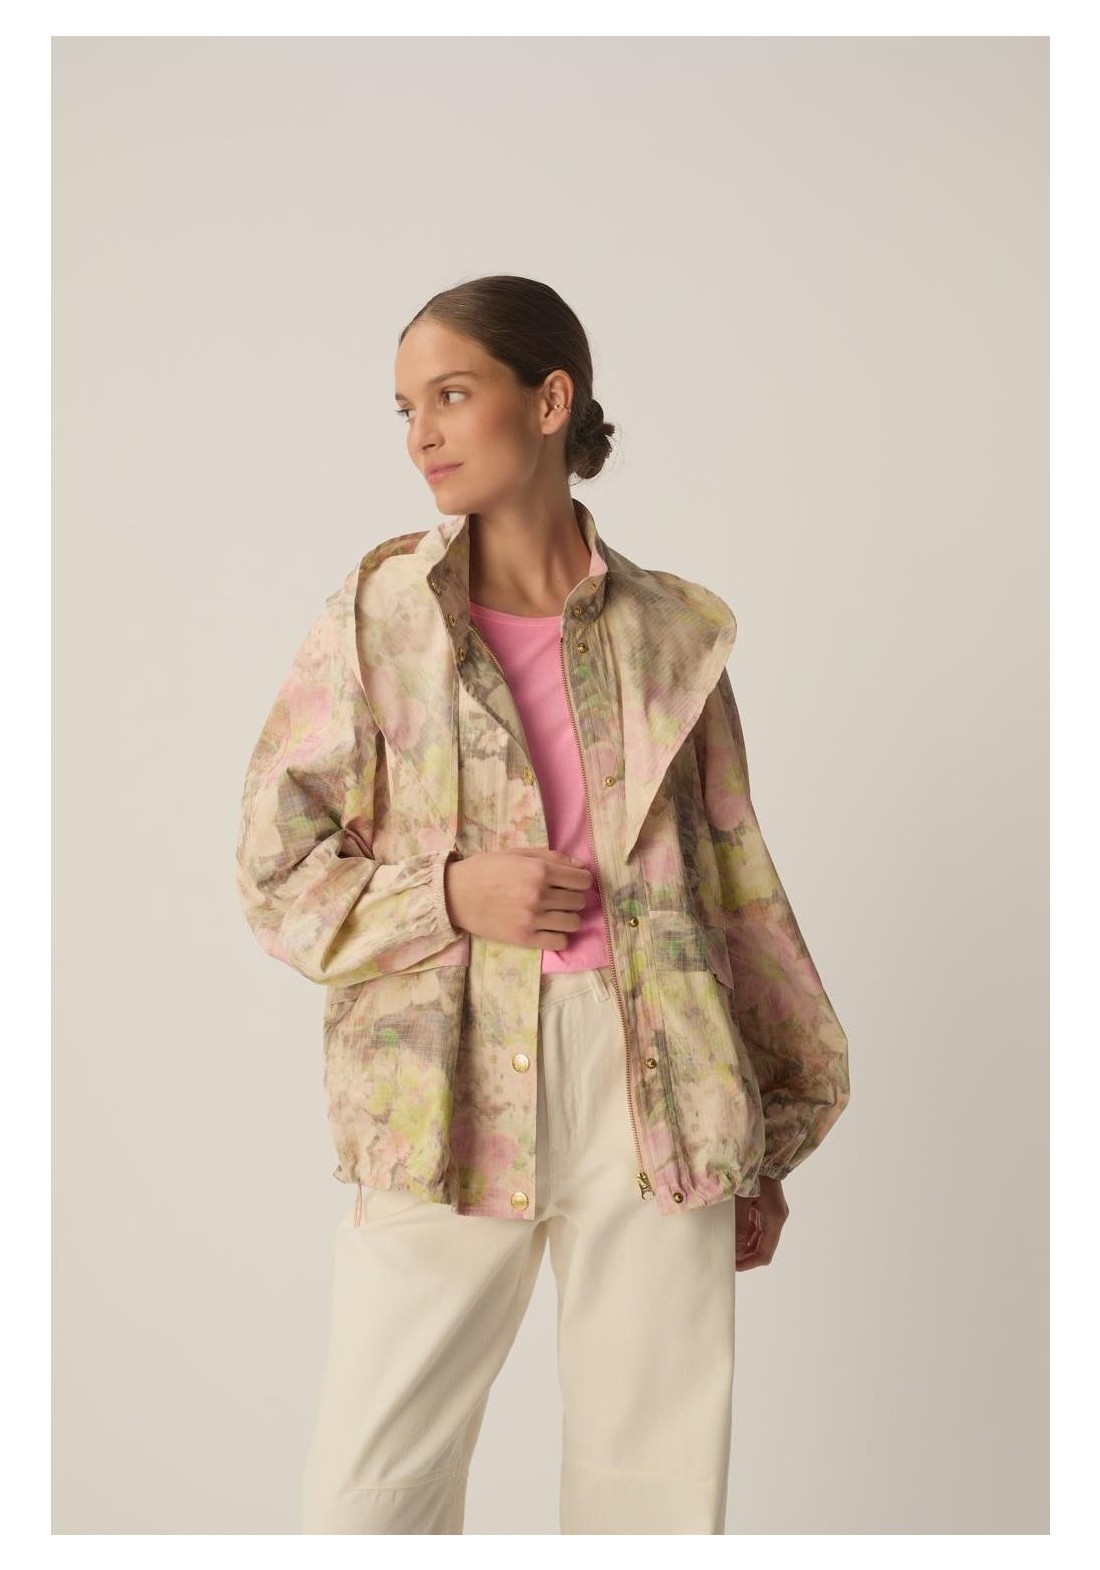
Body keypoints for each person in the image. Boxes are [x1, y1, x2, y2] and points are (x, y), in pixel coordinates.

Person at [235, 274, 850, 1535]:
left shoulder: (673, 634)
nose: (422, 434)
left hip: (657, 1088)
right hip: (445, 1088)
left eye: (451, 395)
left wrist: (759, 1131)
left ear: (549, 399)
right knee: (366, 1496)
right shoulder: (378, 618)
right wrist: (450, 894)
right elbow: (274, 867)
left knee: (651, 1494)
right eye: (405, 408)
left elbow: (735, 884)